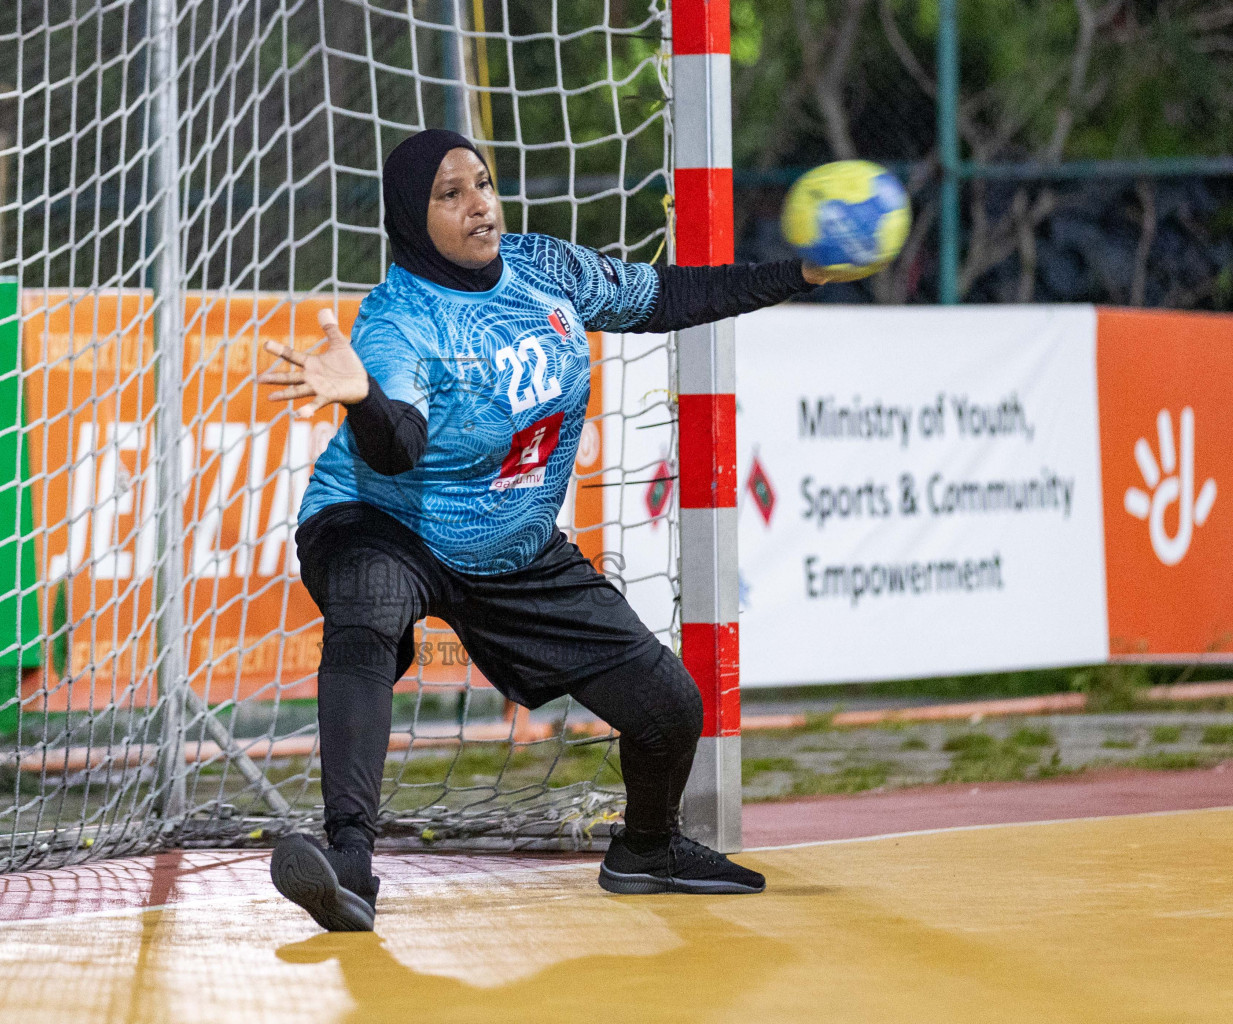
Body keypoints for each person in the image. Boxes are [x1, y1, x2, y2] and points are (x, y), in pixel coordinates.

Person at [262, 129, 829, 932]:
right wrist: (362, 400)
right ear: (410, 219)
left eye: (482, 183)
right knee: (368, 608)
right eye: (449, 194)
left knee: (671, 707)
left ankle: (647, 850)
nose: (478, 204)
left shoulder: (546, 270)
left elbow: (668, 296)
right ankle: (348, 862)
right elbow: (397, 451)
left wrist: (797, 274)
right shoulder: (398, 321)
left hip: (512, 544)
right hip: (385, 519)